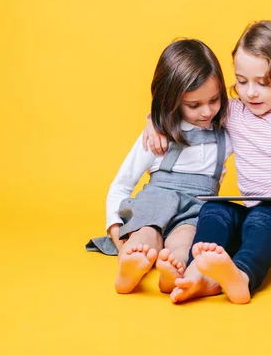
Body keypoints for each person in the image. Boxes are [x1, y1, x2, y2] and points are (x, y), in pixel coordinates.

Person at [143, 21, 271, 304]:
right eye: (242, 81)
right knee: (215, 208)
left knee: (267, 216)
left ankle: (241, 277)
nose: (251, 92)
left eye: (263, 83)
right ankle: (195, 274)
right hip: (258, 219)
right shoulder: (234, 113)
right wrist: (153, 123)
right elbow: (187, 109)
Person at [86, 38, 232, 295]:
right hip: (156, 203)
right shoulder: (156, 137)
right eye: (194, 105)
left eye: (214, 100)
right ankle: (129, 269)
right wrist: (115, 230)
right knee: (146, 235)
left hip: (197, 208)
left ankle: (170, 273)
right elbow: (121, 184)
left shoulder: (227, 133)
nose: (207, 111)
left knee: (186, 241)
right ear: (172, 100)